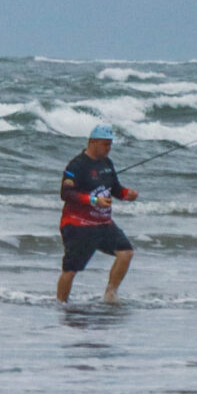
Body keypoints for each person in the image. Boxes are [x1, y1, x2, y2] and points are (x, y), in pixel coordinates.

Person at [57, 124, 136, 303]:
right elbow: (66, 193)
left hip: (103, 223)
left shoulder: (107, 163)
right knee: (71, 269)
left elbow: (114, 188)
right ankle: (61, 303)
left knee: (126, 253)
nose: (108, 149)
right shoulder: (76, 165)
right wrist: (93, 200)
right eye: (104, 144)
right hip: (78, 224)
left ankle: (110, 294)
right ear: (92, 142)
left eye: (110, 145)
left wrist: (126, 194)